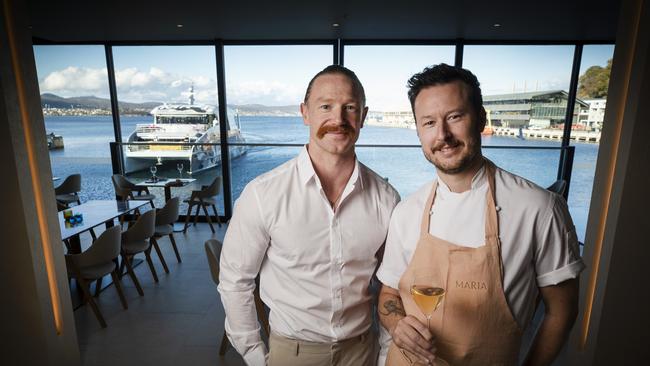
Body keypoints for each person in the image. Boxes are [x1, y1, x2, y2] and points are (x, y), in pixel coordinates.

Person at [376, 64, 585, 366]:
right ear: (419, 130)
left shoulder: (539, 208)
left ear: (481, 119)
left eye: (455, 117)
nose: (443, 135)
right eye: (429, 122)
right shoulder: (407, 211)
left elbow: (562, 312)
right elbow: (388, 294)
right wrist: (396, 324)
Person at [219, 65, 400, 366]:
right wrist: (255, 355)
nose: (338, 119)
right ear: (305, 113)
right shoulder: (263, 194)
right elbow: (235, 281)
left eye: (350, 108)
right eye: (326, 106)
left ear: (364, 116)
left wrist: (384, 355)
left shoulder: (386, 199)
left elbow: (392, 286)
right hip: (292, 354)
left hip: (361, 351)